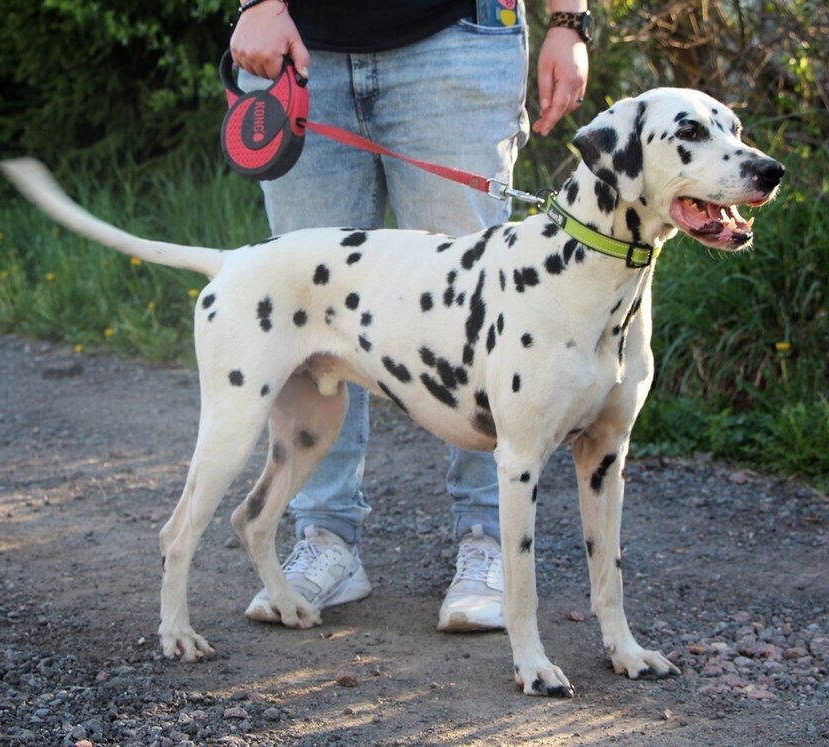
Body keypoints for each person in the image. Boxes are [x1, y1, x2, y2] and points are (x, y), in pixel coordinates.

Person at [229, 0, 590, 632]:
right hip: (299, 44)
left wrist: (569, 20)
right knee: (313, 316)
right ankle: (325, 538)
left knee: (483, 312)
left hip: (458, 39)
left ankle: (488, 543)